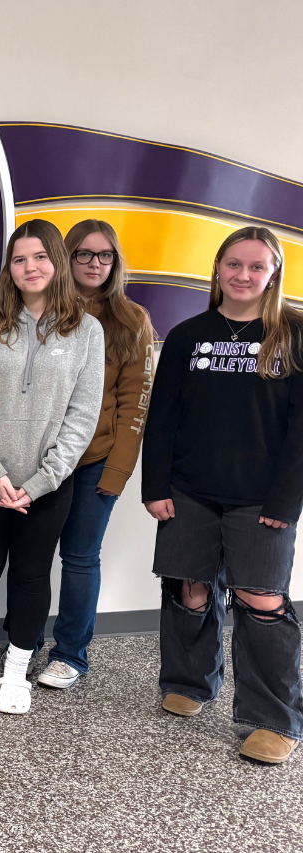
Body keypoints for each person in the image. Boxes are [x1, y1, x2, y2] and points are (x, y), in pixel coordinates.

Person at [143, 226, 303, 765]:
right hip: (188, 491)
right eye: (233, 264)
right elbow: (162, 417)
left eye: (256, 267)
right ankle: (190, 683)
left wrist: (287, 501)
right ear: (217, 268)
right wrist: (155, 485)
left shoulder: (294, 335)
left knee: (261, 600)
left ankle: (272, 718)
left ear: (273, 273)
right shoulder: (188, 336)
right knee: (189, 590)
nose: (243, 275)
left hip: (261, 500)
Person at [0, 219, 105, 715]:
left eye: (40, 257)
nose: (29, 267)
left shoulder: (87, 332)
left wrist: (38, 483)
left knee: (33, 578)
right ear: (10, 269)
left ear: (57, 263)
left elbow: (82, 418)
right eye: (19, 259)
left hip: (49, 485)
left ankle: (16, 670)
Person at [29, 220, 155, 689]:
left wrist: (118, 472)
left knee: (80, 558)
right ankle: (26, 642)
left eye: (104, 255)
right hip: (38, 459)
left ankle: (70, 655)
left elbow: (135, 403)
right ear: (66, 257)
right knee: (32, 556)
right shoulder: (40, 309)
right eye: (83, 254)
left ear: (115, 261)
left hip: (95, 460)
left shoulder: (131, 320)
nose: (94, 264)